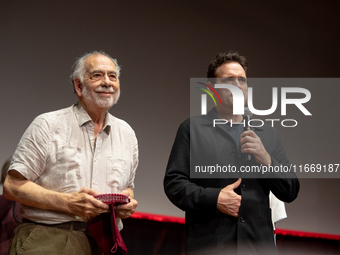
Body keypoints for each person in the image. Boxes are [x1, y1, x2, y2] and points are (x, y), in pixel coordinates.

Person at [164, 52, 299, 255]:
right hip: (211, 244)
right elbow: (174, 184)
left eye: (242, 80)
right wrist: (214, 198)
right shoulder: (192, 129)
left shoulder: (267, 133)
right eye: (229, 80)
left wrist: (266, 159)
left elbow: (291, 190)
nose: (237, 85)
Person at [3, 51, 139, 254]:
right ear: (78, 85)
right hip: (48, 239)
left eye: (112, 76)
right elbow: (12, 186)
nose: (107, 82)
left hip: (105, 242)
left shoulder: (126, 133)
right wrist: (68, 203)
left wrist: (126, 201)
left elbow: (128, 188)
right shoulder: (48, 124)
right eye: (97, 75)